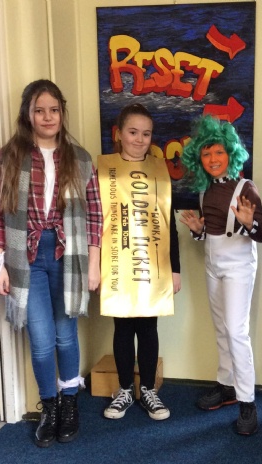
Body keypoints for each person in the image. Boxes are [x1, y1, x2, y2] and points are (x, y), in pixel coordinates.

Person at [0, 79, 102, 447]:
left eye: (53, 110)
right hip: (25, 257)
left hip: (68, 255)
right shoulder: (7, 158)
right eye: (39, 110)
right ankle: (49, 407)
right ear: (28, 114)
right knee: (40, 339)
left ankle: (70, 403)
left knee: (65, 335)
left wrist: (94, 264)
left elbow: (95, 215)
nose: (47, 117)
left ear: (62, 113)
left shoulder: (80, 158)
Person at [179, 114, 262, 436]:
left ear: (231, 153)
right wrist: (198, 231)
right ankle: (226, 385)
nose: (213, 159)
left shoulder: (246, 188)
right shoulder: (205, 190)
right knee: (221, 328)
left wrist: (249, 222)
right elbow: (211, 233)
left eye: (219, 152)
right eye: (206, 153)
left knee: (236, 331)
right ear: (198, 158)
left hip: (239, 266)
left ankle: (247, 401)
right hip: (213, 265)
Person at [98, 103, 180, 421]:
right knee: (122, 326)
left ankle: (147, 389)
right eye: (133, 132)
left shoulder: (160, 170)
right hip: (117, 262)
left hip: (152, 264)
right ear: (119, 134)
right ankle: (123, 389)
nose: (139, 139)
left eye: (146, 134)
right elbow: (96, 222)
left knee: (148, 326)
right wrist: (96, 267)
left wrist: (175, 269)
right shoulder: (104, 170)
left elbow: (169, 224)